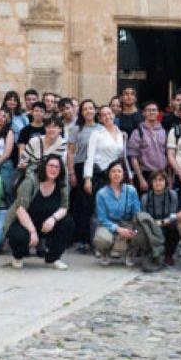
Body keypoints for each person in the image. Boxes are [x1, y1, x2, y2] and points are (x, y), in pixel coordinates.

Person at [5, 155, 75, 269]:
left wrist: (53, 219)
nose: (54, 169)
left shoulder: (62, 184)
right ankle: (18, 256)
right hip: (25, 222)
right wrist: (32, 231)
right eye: (51, 166)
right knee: (19, 237)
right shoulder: (30, 182)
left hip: (47, 224)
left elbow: (64, 207)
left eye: (57, 167)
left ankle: (52, 259)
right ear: (44, 167)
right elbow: (20, 209)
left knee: (68, 223)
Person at [93, 163, 163, 272]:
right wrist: (118, 229)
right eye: (113, 171)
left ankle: (130, 252)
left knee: (139, 233)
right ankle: (105, 253)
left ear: (123, 174)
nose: (116, 174)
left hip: (127, 223)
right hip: (109, 224)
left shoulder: (131, 190)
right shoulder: (101, 193)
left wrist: (132, 229)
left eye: (119, 171)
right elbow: (102, 218)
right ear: (109, 174)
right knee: (102, 239)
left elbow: (137, 213)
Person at [67, 99, 99, 250]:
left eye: (91, 108)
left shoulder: (101, 128)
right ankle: (80, 239)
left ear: (95, 110)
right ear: (81, 112)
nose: (88, 111)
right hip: (80, 167)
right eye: (85, 109)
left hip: (96, 169)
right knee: (81, 204)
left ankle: (92, 238)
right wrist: (71, 172)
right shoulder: (76, 129)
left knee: (93, 204)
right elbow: (70, 152)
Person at [84, 105, 128, 195]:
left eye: (109, 113)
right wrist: (88, 179)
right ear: (100, 119)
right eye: (104, 115)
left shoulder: (121, 134)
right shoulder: (96, 134)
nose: (107, 116)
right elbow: (90, 157)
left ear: (113, 115)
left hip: (116, 175)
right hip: (101, 174)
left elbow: (122, 157)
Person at [127, 101, 169, 193]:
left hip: (162, 173)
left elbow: (168, 154)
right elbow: (133, 158)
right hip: (145, 174)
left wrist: (168, 177)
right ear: (144, 113)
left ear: (158, 112)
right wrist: (140, 178)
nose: (151, 112)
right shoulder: (138, 132)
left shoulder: (163, 131)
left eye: (154, 110)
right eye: (149, 110)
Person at [141, 170, 180, 265]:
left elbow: (173, 215)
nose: (158, 183)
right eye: (155, 180)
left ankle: (169, 255)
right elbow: (144, 216)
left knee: (175, 226)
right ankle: (150, 252)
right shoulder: (145, 198)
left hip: (167, 224)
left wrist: (162, 222)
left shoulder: (172, 195)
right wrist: (154, 224)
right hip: (151, 226)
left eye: (161, 180)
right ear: (151, 182)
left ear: (165, 182)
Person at [19, 115, 67, 187]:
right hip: (33, 172)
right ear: (45, 128)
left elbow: (52, 163)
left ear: (60, 129)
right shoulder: (34, 141)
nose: (51, 129)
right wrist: (23, 164)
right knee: (27, 184)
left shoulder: (62, 144)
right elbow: (23, 159)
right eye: (48, 127)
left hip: (53, 175)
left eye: (54, 127)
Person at [16, 101, 48, 167]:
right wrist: (22, 162)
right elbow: (22, 149)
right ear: (32, 112)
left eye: (41, 111)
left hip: (45, 163)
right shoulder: (25, 130)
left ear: (45, 113)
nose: (38, 113)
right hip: (30, 163)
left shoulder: (48, 129)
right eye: (36, 111)